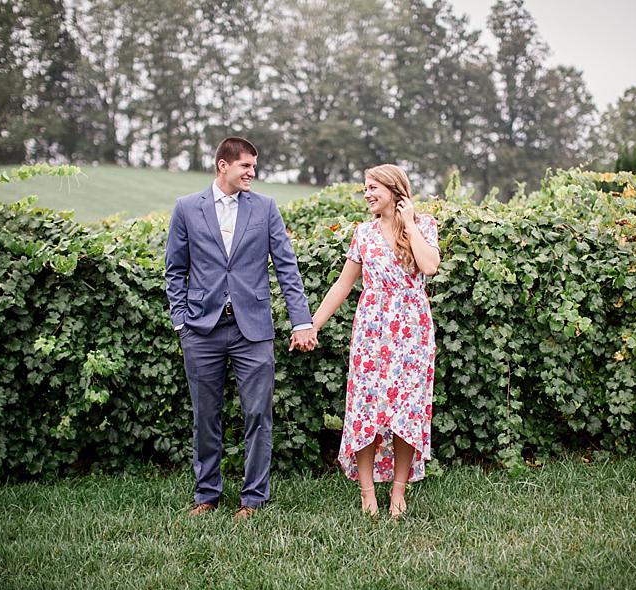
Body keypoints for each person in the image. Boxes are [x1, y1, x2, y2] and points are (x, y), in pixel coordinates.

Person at [165, 136, 317, 521]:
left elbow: (286, 267)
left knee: (258, 415)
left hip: (254, 330)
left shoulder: (265, 208)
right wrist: (182, 321)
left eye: (254, 166)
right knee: (205, 415)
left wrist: (301, 320)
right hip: (202, 329)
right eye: (246, 166)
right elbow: (175, 270)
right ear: (223, 165)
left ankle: (252, 499)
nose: (253, 172)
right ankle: (207, 495)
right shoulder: (186, 208)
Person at [307, 164, 439, 518]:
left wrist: (409, 224)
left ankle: (398, 491)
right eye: (365, 188)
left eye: (373, 187)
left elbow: (429, 267)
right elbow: (343, 285)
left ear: (394, 190)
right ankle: (368, 492)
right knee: (366, 408)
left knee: (406, 410)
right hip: (371, 331)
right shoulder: (363, 233)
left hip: (412, 333)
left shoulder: (424, 226)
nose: (366, 194)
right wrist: (312, 324)